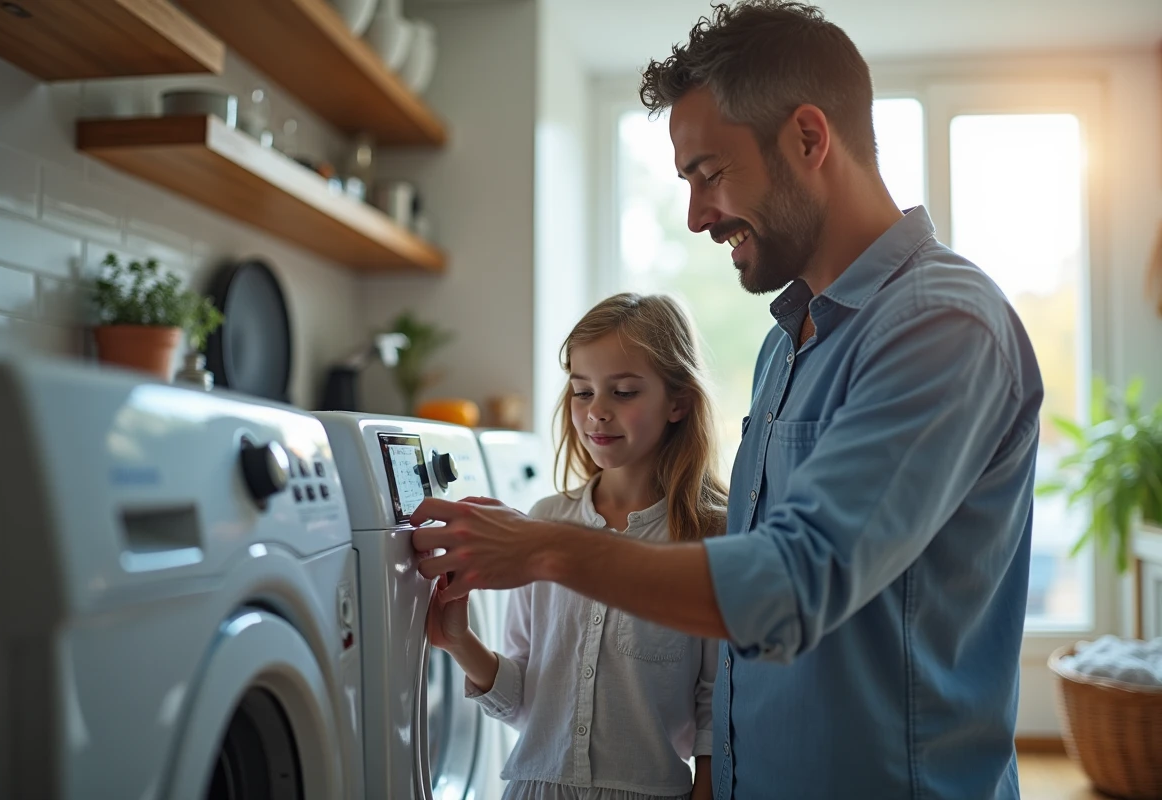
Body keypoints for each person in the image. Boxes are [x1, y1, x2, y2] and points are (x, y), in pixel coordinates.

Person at [412, 2, 1044, 798]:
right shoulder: (787, 342)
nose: (697, 215)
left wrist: (544, 550)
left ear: (809, 139)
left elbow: (793, 582)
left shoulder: (943, 323)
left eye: (710, 173)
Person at [426, 293, 726, 800]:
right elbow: (524, 702)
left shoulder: (708, 536)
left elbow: (715, 705)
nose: (597, 413)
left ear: (678, 402)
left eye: (624, 392)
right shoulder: (545, 521)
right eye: (582, 392)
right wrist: (459, 641)